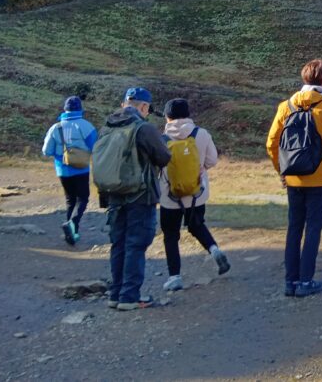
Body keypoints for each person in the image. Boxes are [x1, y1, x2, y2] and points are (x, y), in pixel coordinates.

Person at [266, 59, 322, 297]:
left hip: (293, 178)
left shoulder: (285, 106)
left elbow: (271, 143)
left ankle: (290, 281)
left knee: (294, 228)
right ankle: (305, 281)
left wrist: (282, 170)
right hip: (320, 179)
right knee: (313, 229)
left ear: (304, 78)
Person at [96, 87, 171, 310]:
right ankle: (129, 296)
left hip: (113, 194)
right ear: (144, 107)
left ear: (124, 104)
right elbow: (163, 157)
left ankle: (116, 294)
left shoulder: (107, 127)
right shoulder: (143, 128)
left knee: (118, 243)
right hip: (140, 194)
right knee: (136, 244)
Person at [158, 98, 230, 292]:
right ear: (188, 114)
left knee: (170, 235)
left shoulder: (162, 139)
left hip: (170, 197)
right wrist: (200, 169)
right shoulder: (202, 134)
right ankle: (214, 250)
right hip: (196, 193)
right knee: (196, 225)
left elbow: (157, 164)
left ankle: (174, 277)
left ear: (167, 117)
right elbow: (212, 160)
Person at [42, 96, 98, 246]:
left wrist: (60, 154)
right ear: (80, 109)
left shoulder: (56, 127)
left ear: (65, 109)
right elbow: (95, 147)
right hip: (81, 169)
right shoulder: (86, 126)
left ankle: (72, 235)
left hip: (62, 170)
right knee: (83, 198)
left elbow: (46, 151)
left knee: (70, 200)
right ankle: (72, 224)